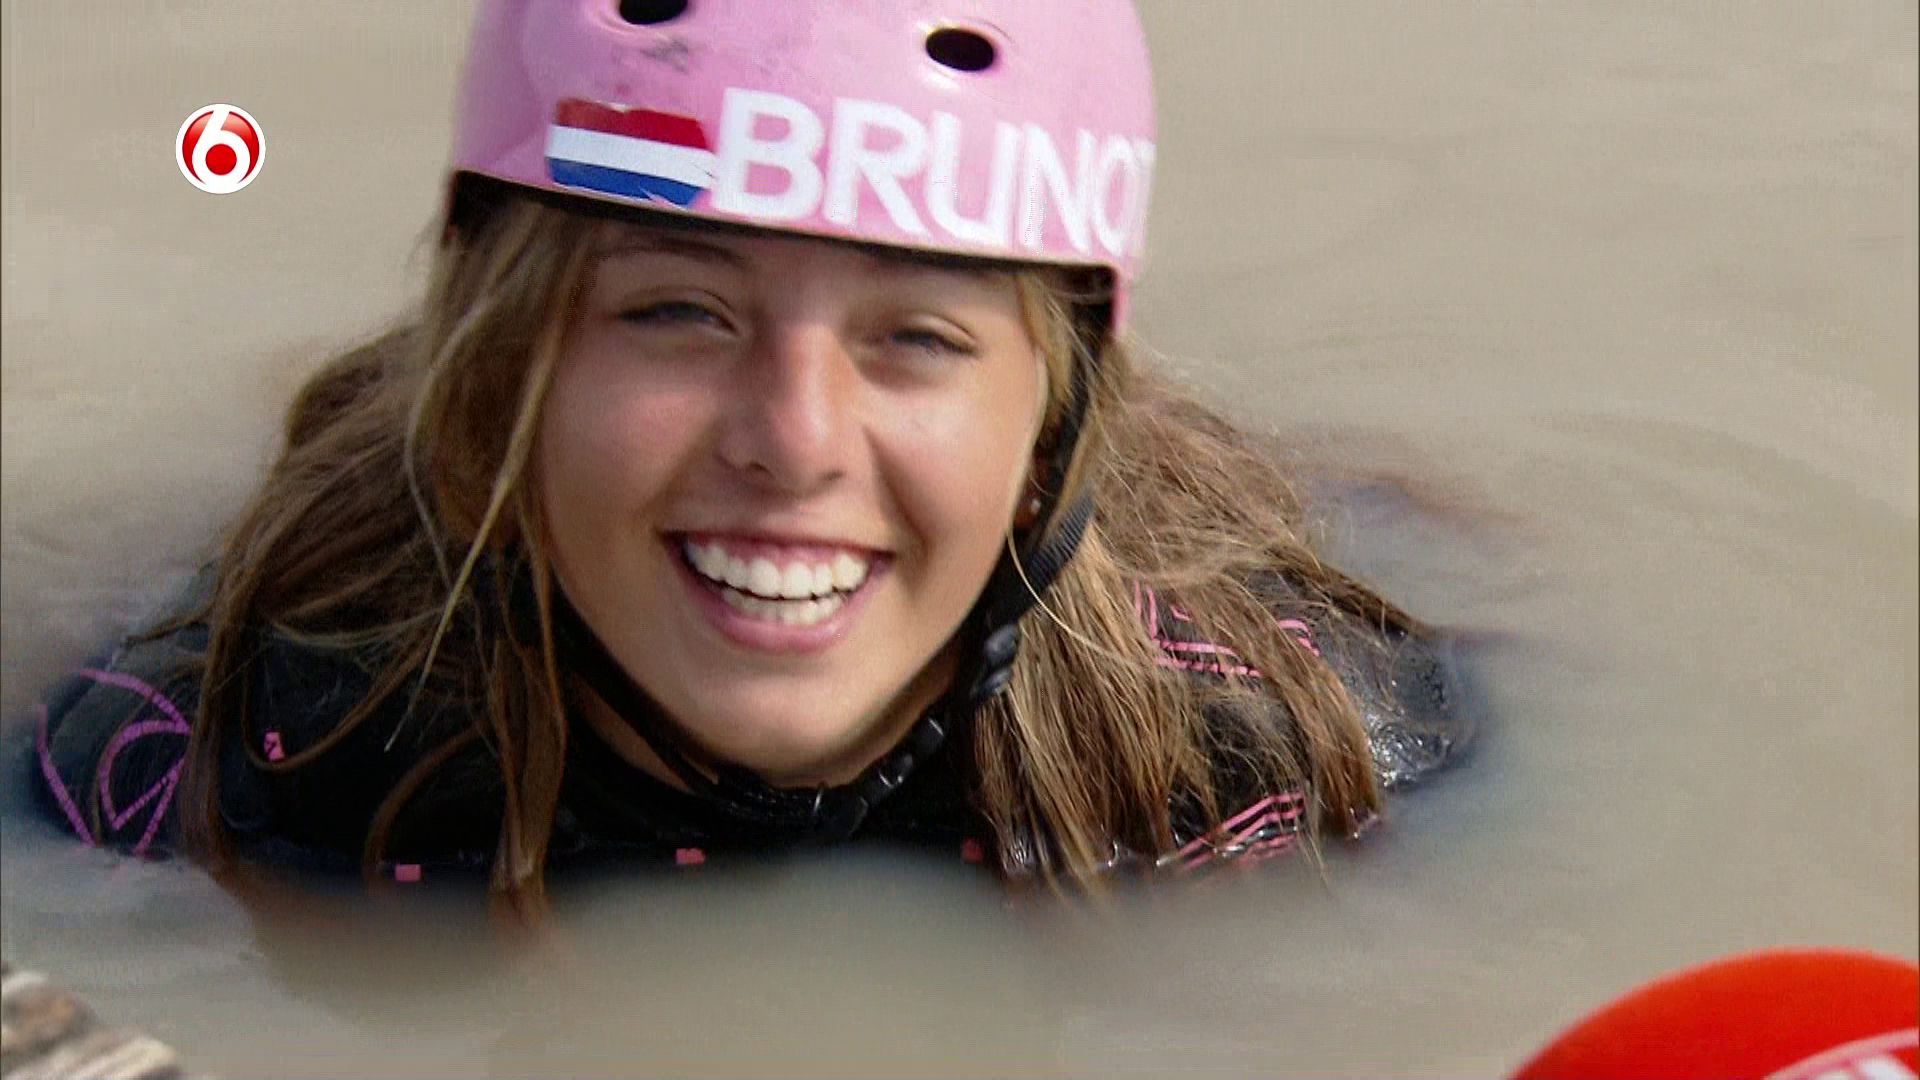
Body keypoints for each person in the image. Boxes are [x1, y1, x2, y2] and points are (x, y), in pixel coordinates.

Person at [30, 0, 1471, 919]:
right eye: (678, 313)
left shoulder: (1269, 747)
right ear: (501, 376)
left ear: (1054, 425)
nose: (794, 442)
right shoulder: (245, 759)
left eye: (918, 336)